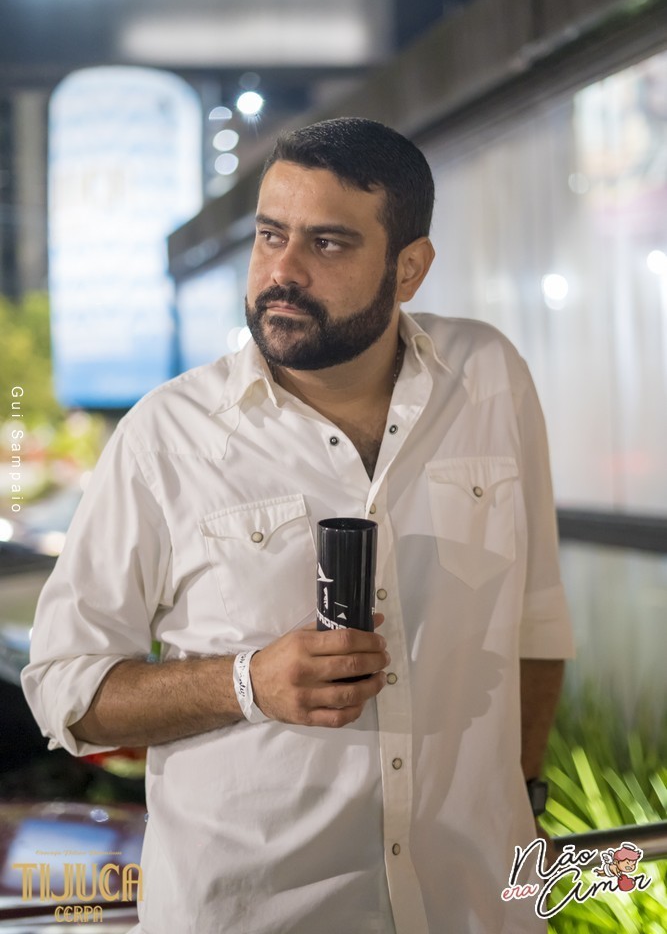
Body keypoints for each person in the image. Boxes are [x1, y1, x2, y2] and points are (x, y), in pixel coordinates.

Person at [22, 117, 575, 934]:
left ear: (409, 268)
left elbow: (535, 620)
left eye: (327, 243)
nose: (282, 271)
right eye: (270, 235)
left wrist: (519, 799)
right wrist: (247, 683)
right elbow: (64, 688)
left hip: (472, 908)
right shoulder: (167, 434)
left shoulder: (488, 375)